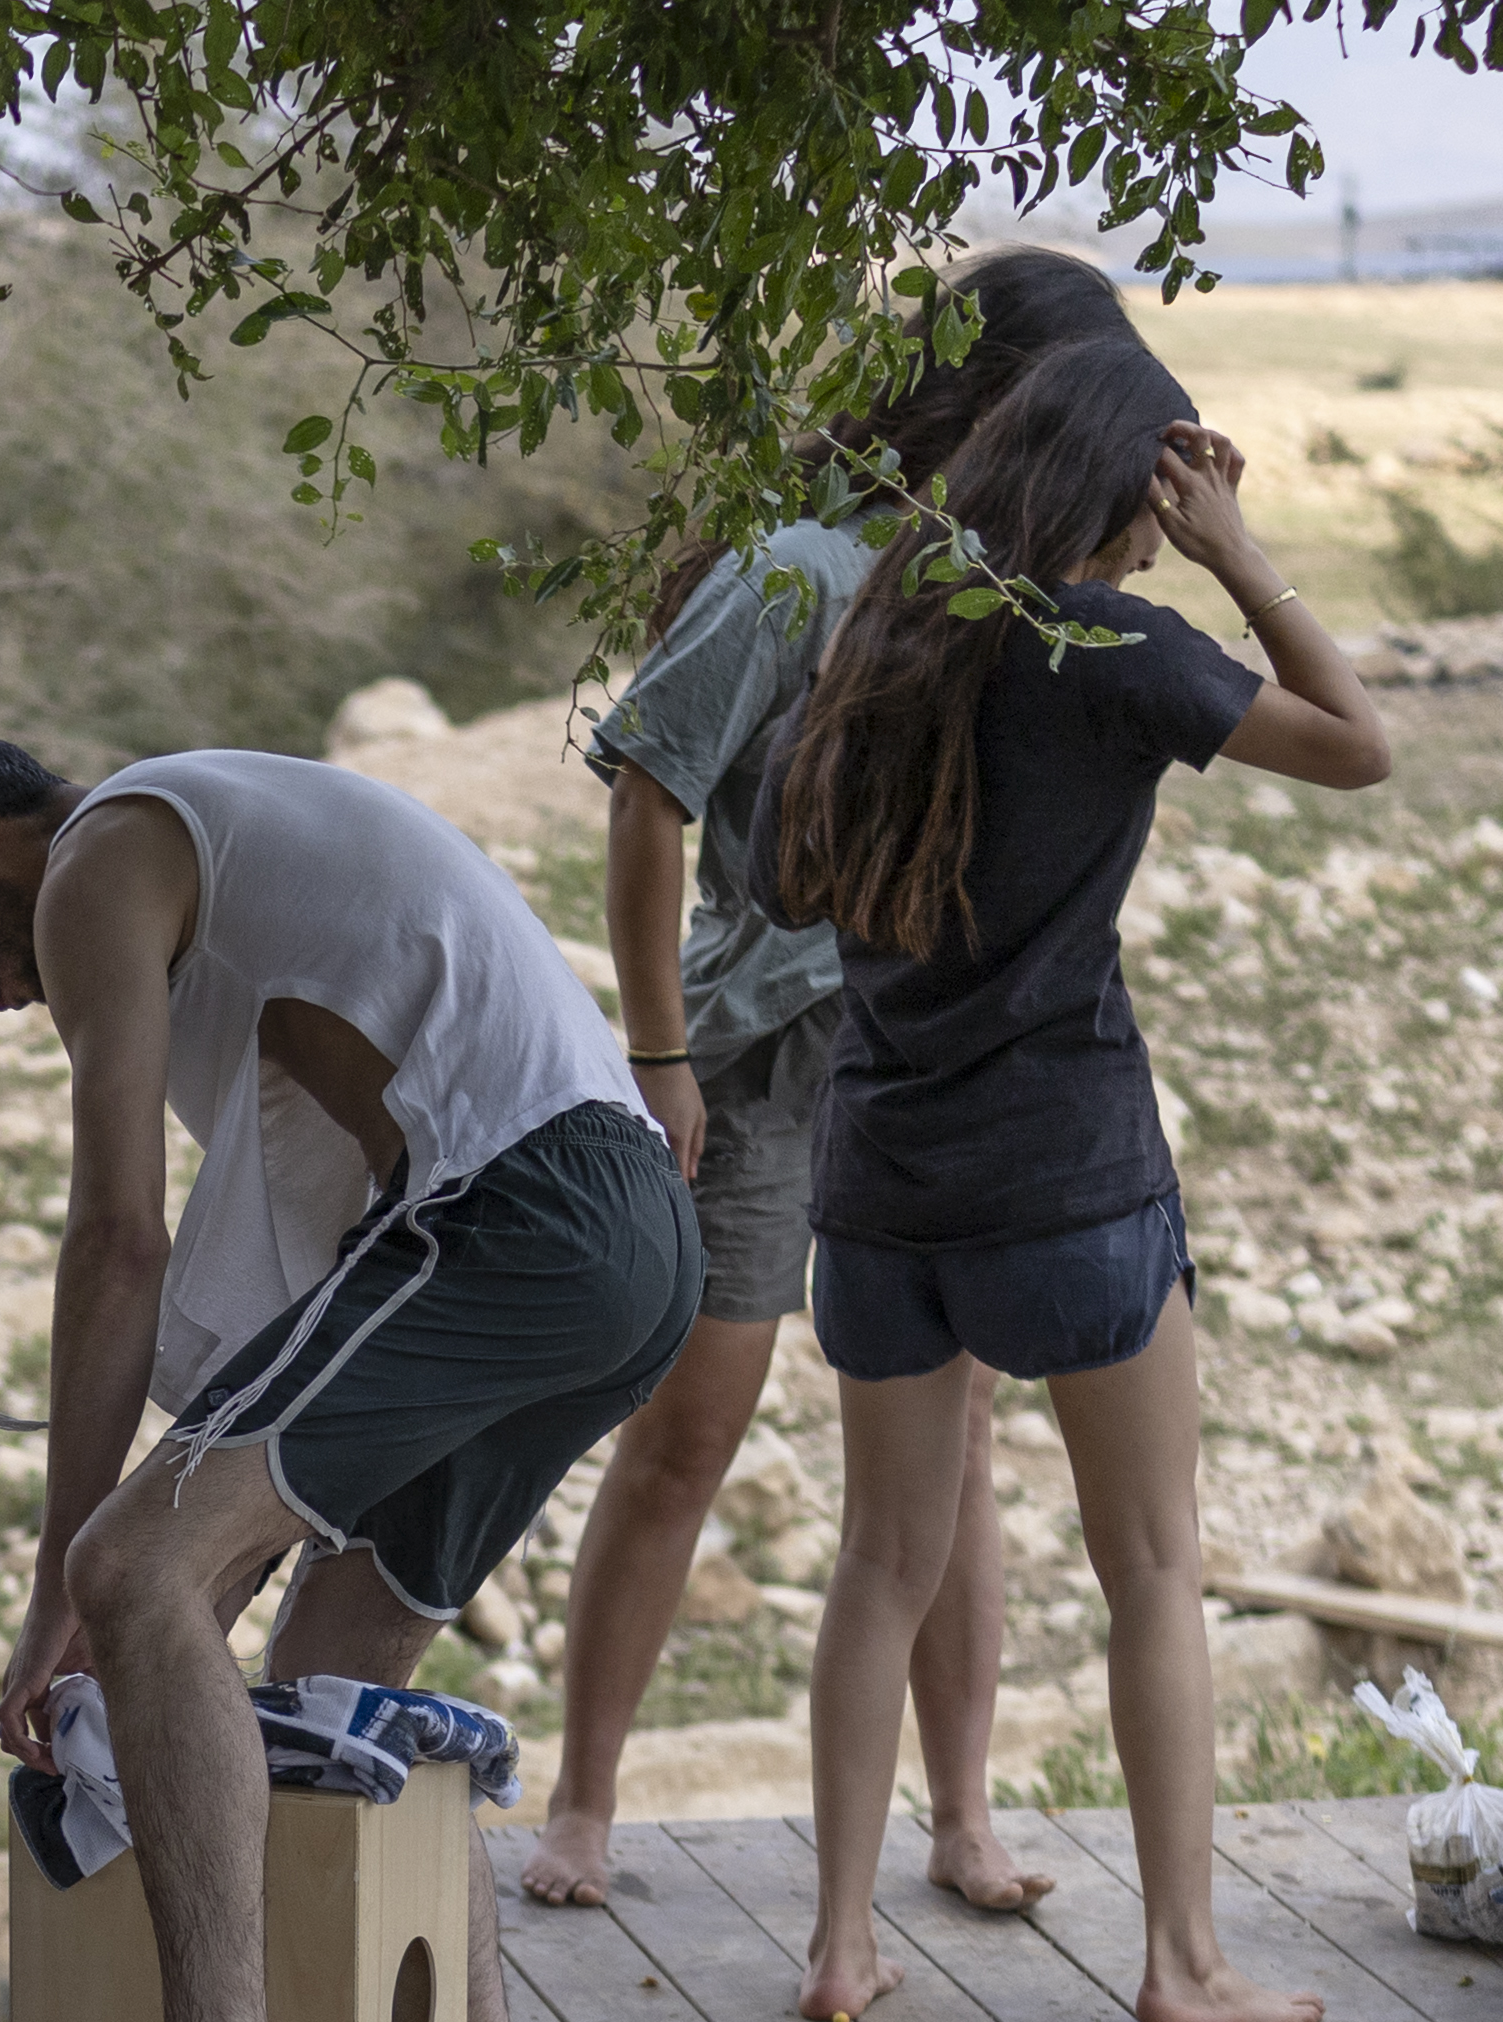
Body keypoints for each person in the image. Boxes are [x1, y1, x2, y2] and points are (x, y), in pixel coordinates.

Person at [0, 722, 702, 2022]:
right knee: (333, 1678)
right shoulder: (229, 867)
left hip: (513, 1215)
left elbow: (117, 1241)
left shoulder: (104, 856)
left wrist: (78, 1583)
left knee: (130, 1563)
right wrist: (193, 1567)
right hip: (615, 1238)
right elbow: (305, 1281)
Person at [764, 338, 1386, 2022]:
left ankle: (835, 1942)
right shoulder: (1110, 645)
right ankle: (1183, 1962)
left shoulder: (873, 639)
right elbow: (1357, 743)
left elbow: (774, 869)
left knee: (878, 1559)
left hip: (879, 1186)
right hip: (1069, 1181)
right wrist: (1240, 558)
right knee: (1153, 1564)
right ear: (1139, 486)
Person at [521, 245, 1106, 1922]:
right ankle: (583, 1800)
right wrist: (652, 1052)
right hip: (752, 1060)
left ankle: (962, 1817)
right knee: (689, 1428)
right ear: (986, 404)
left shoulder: (1008, 598)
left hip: (930, 1059)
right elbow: (647, 792)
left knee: (953, 1445)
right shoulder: (792, 575)